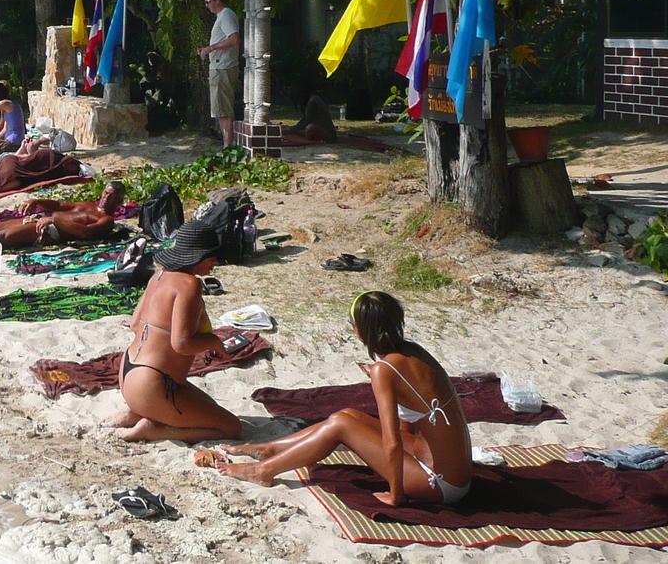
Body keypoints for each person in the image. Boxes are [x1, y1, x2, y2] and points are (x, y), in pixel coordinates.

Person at [200, 291, 472, 506]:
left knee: (342, 425)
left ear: (360, 331)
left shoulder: (384, 370)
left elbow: (392, 442)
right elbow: (409, 427)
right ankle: (270, 450)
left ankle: (264, 471)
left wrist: (395, 495)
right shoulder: (415, 353)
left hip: (440, 484)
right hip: (451, 471)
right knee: (348, 415)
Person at [110, 216, 243, 443]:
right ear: (197, 256)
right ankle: (154, 430)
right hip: (153, 383)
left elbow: (134, 325)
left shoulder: (158, 275)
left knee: (210, 408)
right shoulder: (190, 284)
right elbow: (181, 344)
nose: (216, 261)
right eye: (212, 256)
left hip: (129, 372)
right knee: (232, 428)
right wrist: (213, 342)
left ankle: (139, 410)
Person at [198, 0, 240, 143]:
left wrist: (211, 48)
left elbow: (234, 39)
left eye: (208, 2)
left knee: (223, 110)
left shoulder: (226, 15)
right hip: (220, 66)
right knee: (222, 109)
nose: (207, 6)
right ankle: (228, 146)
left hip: (223, 67)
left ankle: (228, 147)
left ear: (217, 0)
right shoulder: (223, 16)